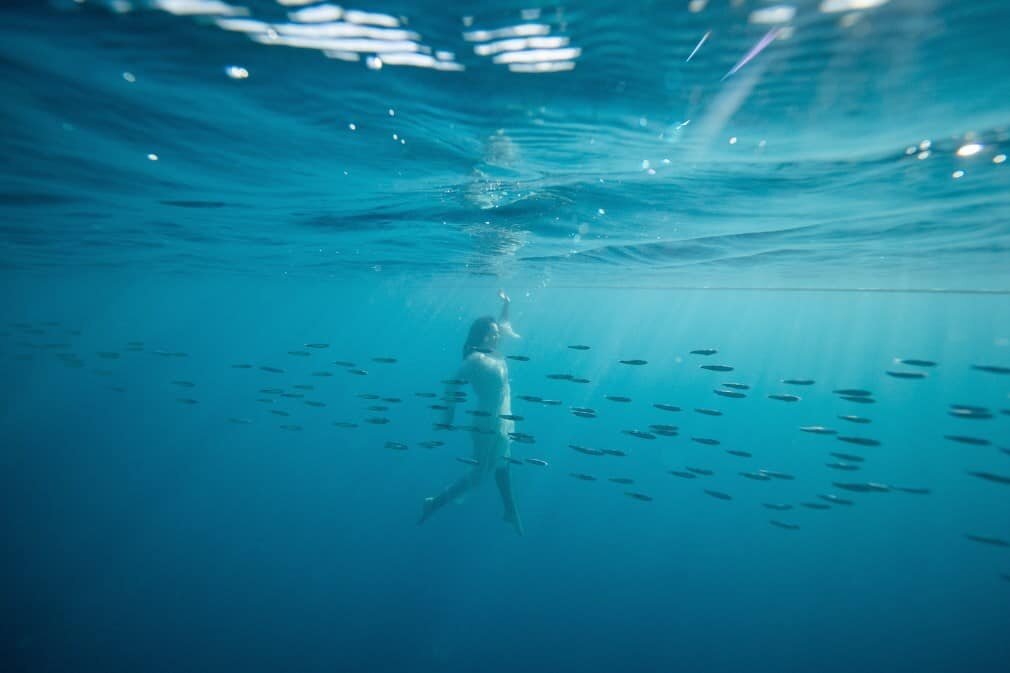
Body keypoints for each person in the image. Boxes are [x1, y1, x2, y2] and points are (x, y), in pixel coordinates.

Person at [418, 290, 524, 535]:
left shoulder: (493, 351)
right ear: (481, 336)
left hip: (502, 419)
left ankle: (510, 510)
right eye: (492, 333)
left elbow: (504, 326)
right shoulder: (475, 360)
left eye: (496, 333)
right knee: (479, 473)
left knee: (502, 461)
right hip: (487, 424)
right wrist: (447, 418)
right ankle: (434, 502)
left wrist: (507, 304)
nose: (497, 336)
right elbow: (451, 385)